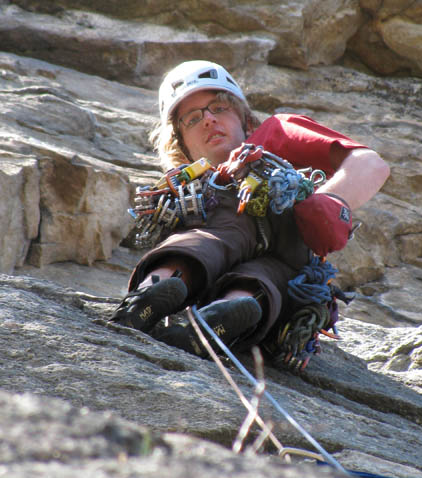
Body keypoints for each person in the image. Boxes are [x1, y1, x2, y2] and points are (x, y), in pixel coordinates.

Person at [113, 60, 390, 361]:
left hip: (290, 242)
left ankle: (162, 290)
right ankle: (222, 310)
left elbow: (370, 163)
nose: (208, 120)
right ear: (181, 147)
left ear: (247, 121)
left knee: (219, 239)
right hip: (250, 260)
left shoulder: (273, 134)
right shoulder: (188, 185)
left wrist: (328, 200)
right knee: (220, 242)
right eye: (193, 119)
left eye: (219, 108)